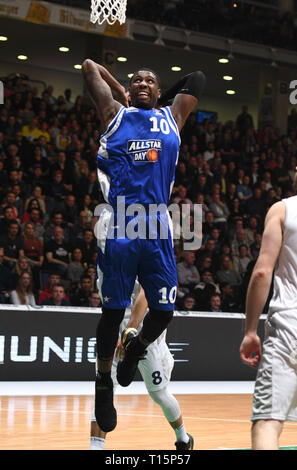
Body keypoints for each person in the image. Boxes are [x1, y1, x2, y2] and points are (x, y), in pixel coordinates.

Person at [82, 58, 205, 433]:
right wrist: (124, 93)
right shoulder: (114, 113)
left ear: (159, 90)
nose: (142, 83)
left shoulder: (172, 117)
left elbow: (196, 76)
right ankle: (104, 381)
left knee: (164, 310)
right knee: (111, 313)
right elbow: (88, 66)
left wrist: (156, 99)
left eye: (149, 81)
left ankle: (134, 350)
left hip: (156, 224)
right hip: (120, 220)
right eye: (136, 80)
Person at [90, 283, 193, 450]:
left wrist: (128, 332)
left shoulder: (143, 259)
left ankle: (183, 439)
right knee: (104, 391)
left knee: (158, 393)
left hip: (146, 338)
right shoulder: (105, 263)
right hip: (114, 336)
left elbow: (146, 293)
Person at [239, 195, 297, 450]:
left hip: (289, 328)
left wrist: (250, 331)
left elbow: (262, 272)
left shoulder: (284, 210)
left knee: (267, 423)